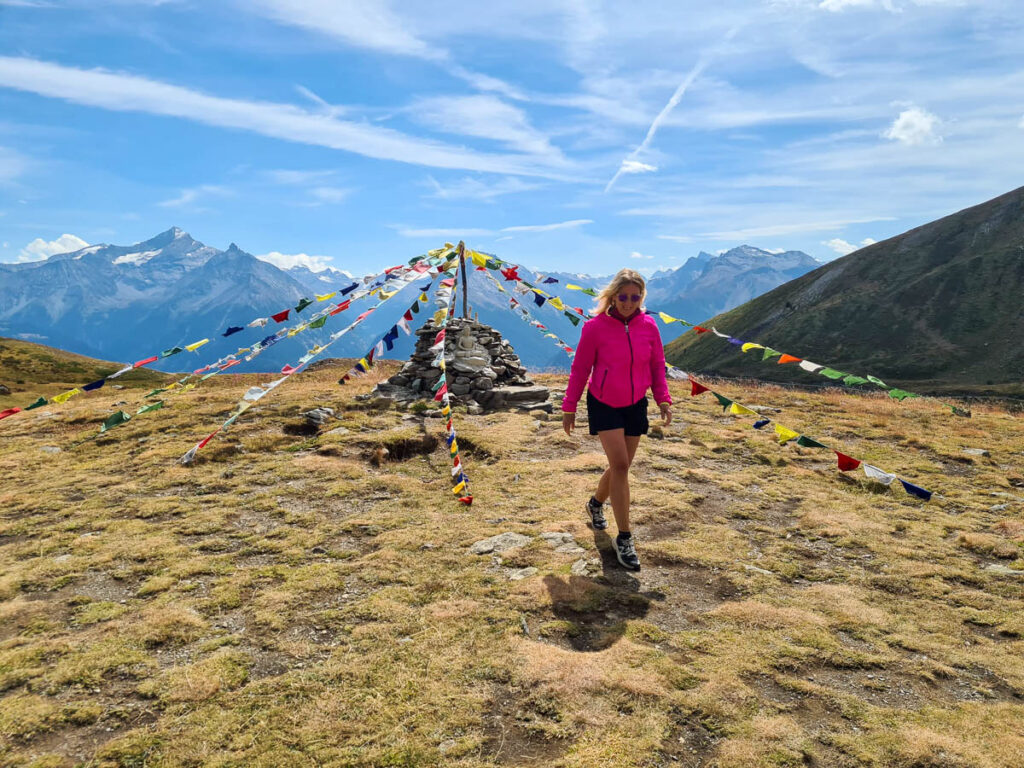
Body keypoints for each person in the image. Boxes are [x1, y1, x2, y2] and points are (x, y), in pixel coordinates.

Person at [561, 268, 672, 571]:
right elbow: (580, 369)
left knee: (620, 466)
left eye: (635, 297)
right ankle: (624, 537)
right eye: (623, 297)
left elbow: (656, 365)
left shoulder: (649, 326)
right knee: (621, 466)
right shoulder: (595, 327)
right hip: (604, 402)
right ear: (613, 296)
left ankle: (595, 504)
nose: (628, 302)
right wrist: (569, 406)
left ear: (641, 298)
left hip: (635, 403)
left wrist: (663, 398)